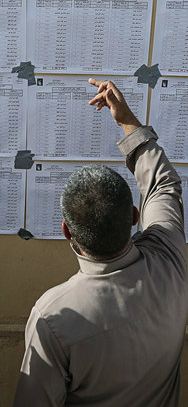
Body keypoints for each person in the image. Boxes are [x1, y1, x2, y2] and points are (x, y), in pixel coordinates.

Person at [14, 79, 188, 406]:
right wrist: (127, 122)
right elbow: (164, 186)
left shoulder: (53, 317)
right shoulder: (170, 259)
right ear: (135, 215)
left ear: (67, 231)